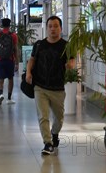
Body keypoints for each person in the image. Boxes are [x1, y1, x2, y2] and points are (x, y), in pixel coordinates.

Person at [25, 15, 75, 155]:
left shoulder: (66, 45)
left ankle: (54, 133)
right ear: (46, 28)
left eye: (55, 26)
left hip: (58, 88)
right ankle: (47, 143)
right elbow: (32, 60)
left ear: (61, 28)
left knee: (59, 118)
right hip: (40, 86)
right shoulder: (39, 44)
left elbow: (72, 60)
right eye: (50, 26)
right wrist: (29, 73)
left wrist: (70, 64)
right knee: (43, 116)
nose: (53, 29)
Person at [0, 18, 19, 106]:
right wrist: (17, 62)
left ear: (1, 24)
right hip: (10, 60)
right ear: (9, 24)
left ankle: (1, 94)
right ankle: (9, 98)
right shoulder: (13, 35)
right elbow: (15, 49)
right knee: (10, 78)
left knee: (0, 79)